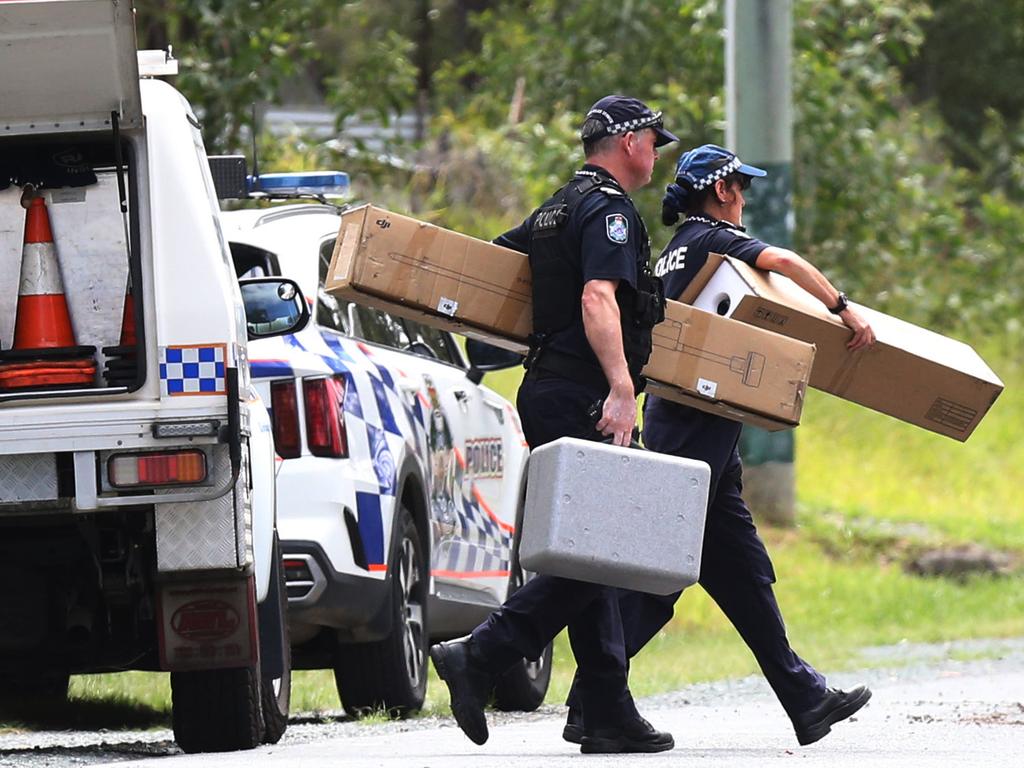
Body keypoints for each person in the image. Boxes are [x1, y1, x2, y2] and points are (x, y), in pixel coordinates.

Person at [561, 143, 876, 748]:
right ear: (723, 189)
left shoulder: (675, 250)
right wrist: (843, 309)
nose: (746, 201)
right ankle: (589, 701)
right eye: (744, 188)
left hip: (694, 429)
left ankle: (805, 698)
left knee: (738, 574)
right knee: (658, 580)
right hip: (693, 437)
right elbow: (781, 260)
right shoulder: (712, 238)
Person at [429, 95, 676, 754]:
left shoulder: (554, 208)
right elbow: (599, 297)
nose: (656, 152)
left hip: (544, 387)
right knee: (602, 546)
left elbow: (493, 273)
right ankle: (480, 654)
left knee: (593, 547)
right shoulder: (609, 211)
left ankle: (604, 710)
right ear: (628, 143)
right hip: (584, 394)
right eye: (654, 140)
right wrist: (622, 387)